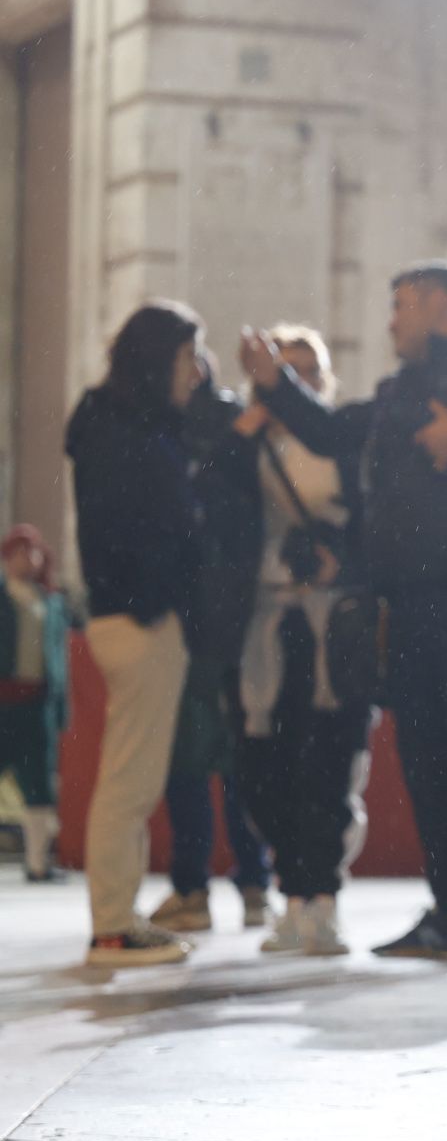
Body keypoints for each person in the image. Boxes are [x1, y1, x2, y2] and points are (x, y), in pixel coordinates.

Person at [240, 260, 447, 960]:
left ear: (437, 303)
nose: (390, 322)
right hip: (410, 596)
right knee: (424, 754)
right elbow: (332, 431)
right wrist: (275, 385)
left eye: (400, 306)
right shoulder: (403, 389)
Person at [65, 301, 205, 966]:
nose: (196, 372)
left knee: (133, 779)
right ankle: (114, 927)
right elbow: (145, 525)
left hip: (123, 613)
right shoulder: (131, 434)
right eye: (187, 357)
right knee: (130, 782)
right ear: (158, 359)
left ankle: (120, 917)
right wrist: (158, 599)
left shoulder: (110, 423)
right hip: (139, 618)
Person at [231, 325, 375, 957]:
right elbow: (218, 512)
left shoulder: (345, 444)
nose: (296, 381)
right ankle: (291, 894)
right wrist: (240, 436)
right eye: (284, 369)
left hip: (335, 623)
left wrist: (337, 556)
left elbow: (375, 525)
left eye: (308, 371)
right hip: (265, 623)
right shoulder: (246, 442)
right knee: (266, 769)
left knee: (331, 765)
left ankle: (323, 899)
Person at [149, 362, 272, 936]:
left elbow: (184, 511)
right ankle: (255, 883)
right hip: (243, 615)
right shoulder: (241, 427)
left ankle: (192, 887)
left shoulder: (174, 430)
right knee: (244, 759)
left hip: (195, 619)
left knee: (189, 763)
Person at [0, 525, 77, 882]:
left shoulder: (50, 601)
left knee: (40, 785)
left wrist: (60, 707)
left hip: (37, 705)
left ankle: (37, 862)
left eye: (32, 553)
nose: (27, 560)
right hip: (3, 702)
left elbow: (58, 656)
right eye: (20, 552)